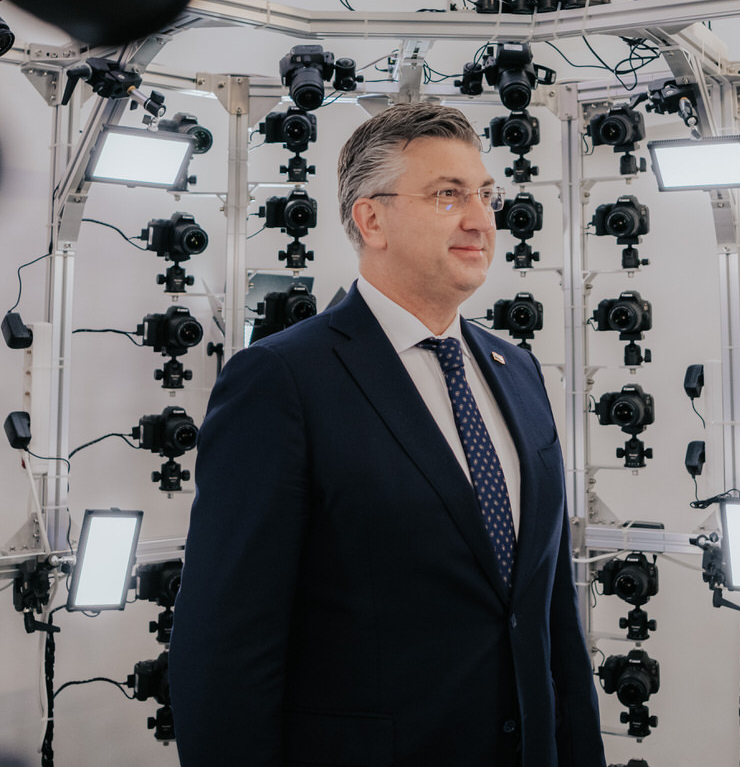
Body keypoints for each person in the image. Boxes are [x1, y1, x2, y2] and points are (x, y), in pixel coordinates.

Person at [169, 103, 605, 767]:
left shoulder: (517, 370)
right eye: (448, 195)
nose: (480, 219)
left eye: (485, 194)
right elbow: (225, 643)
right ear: (371, 220)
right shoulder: (283, 380)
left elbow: (549, 612)